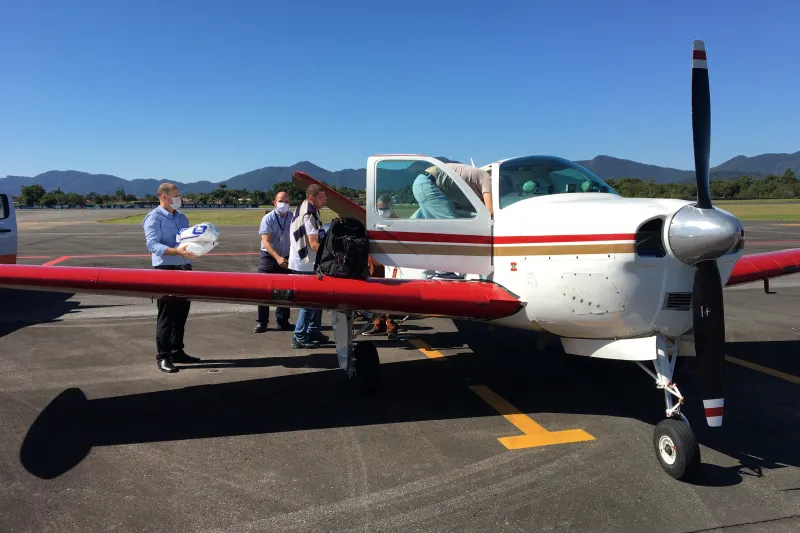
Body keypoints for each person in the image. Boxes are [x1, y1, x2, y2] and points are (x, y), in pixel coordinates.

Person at [142, 183, 202, 373]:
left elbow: (187, 240)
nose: (179, 198)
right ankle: (163, 356)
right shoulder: (153, 218)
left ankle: (177, 351)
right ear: (164, 196)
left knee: (181, 313)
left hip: (184, 267)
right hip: (165, 269)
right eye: (176, 195)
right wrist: (176, 251)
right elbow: (152, 245)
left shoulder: (182, 217)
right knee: (167, 315)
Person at [288, 184, 330, 348]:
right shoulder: (309, 214)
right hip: (305, 264)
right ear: (311, 197)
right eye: (322, 197)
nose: (324, 200)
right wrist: (331, 254)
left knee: (317, 299)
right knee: (310, 302)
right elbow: (313, 244)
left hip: (303, 261)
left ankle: (313, 330)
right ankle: (299, 336)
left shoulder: (304, 208)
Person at [253, 191, 295, 333]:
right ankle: (262, 322)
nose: (284, 204)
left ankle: (283, 320)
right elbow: (266, 242)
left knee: (285, 290)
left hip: (287, 256)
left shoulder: (293, 217)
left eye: (287, 201)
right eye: (281, 201)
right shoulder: (268, 218)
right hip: (269, 257)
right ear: (275, 202)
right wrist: (277, 257)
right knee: (263, 289)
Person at [362, 194, 399, 340]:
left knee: (390, 297)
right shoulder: (373, 221)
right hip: (375, 262)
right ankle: (378, 325)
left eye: (384, 208)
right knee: (376, 295)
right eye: (379, 208)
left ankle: (392, 328)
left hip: (391, 264)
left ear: (390, 207)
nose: (381, 211)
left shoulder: (397, 222)